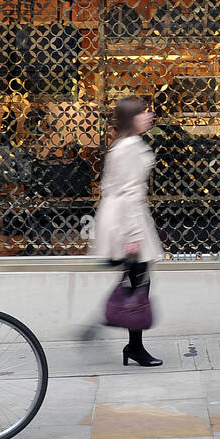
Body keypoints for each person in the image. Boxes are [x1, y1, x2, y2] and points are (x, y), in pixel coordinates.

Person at [91, 96, 164, 367]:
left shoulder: (119, 145)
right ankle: (109, 330)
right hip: (128, 219)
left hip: (117, 217)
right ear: (131, 118)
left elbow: (111, 188)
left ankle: (129, 342)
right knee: (138, 283)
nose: (149, 116)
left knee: (134, 281)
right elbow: (131, 193)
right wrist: (133, 236)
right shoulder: (131, 147)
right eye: (144, 113)